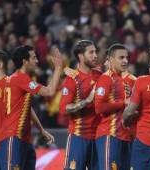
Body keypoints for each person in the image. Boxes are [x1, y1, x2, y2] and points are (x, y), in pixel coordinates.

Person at [0, 45, 63, 170]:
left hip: (24, 139)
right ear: (24, 61)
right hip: (14, 137)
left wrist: (41, 130)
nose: (37, 61)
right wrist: (58, 68)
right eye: (34, 58)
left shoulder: (17, 79)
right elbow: (49, 91)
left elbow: (26, 108)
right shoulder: (21, 79)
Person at [59, 40, 101, 170]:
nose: (95, 55)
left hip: (99, 137)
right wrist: (87, 101)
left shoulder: (101, 76)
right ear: (81, 56)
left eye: (95, 52)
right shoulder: (72, 79)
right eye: (91, 52)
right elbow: (63, 109)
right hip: (79, 137)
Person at [94, 43, 136, 170]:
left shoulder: (123, 80)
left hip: (124, 136)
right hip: (109, 135)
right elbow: (99, 107)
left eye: (126, 57)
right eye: (121, 57)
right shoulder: (106, 79)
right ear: (111, 59)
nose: (125, 61)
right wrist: (124, 103)